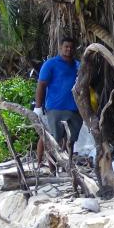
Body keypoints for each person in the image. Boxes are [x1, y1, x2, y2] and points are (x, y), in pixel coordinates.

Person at [34, 37, 83, 168]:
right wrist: (38, 107)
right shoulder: (50, 64)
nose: (69, 49)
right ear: (60, 47)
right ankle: (51, 168)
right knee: (52, 139)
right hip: (55, 108)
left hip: (75, 109)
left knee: (70, 140)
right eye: (66, 46)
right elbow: (41, 85)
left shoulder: (78, 65)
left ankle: (67, 166)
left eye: (72, 47)